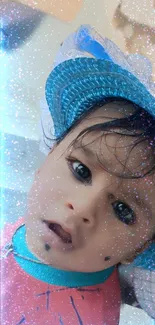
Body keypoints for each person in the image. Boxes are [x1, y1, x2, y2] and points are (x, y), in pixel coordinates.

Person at [1, 25, 155, 325]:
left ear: (139, 248)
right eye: (81, 170)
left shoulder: (83, 318)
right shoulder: (46, 222)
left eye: (123, 210)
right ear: (50, 155)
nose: (83, 207)